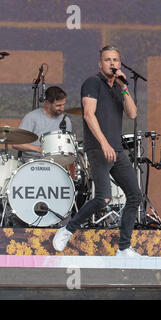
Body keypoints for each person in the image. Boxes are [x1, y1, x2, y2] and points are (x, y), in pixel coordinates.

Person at [52, 45, 142, 256]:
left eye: (116, 60)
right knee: (103, 198)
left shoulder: (119, 86)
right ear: (100, 64)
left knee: (135, 196)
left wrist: (124, 86)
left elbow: (132, 114)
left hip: (117, 150)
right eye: (108, 60)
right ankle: (67, 229)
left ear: (120, 64)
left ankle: (124, 248)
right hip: (98, 148)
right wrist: (104, 143)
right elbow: (88, 115)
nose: (112, 63)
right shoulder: (93, 82)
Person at [12, 86, 72, 162]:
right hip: (32, 163)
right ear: (47, 103)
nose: (62, 108)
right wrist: (39, 149)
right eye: (58, 105)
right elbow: (16, 144)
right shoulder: (32, 117)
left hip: (56, 164)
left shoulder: (66, 120)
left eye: (63, 104)